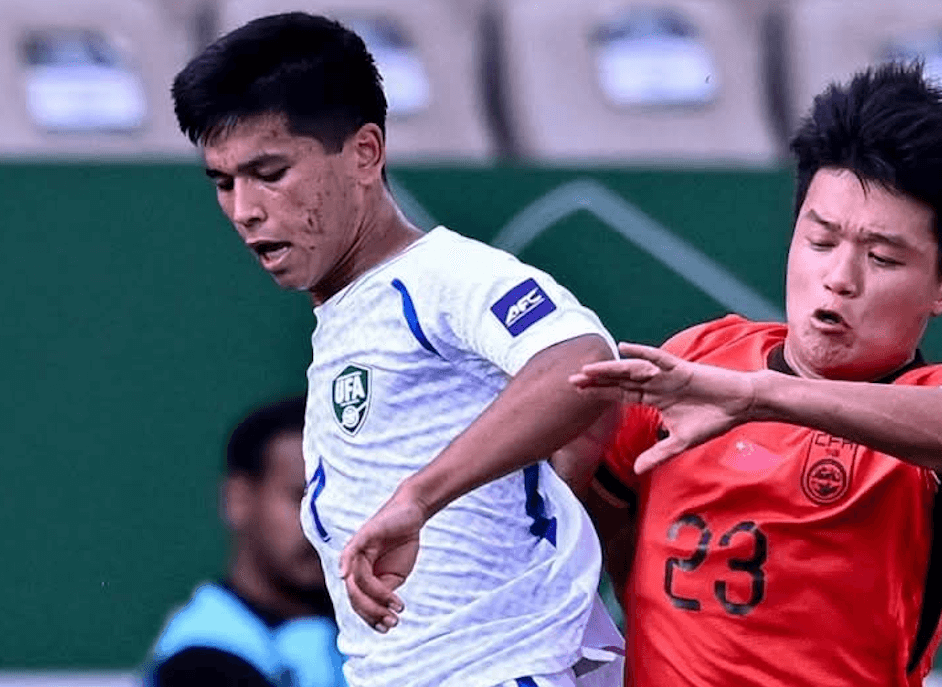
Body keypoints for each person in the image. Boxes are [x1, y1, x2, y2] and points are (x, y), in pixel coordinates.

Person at [170, 12, 624, 687]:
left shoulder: (440, 276)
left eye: (270, 172)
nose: (244, 209)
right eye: (223, 182)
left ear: (364, 153)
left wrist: (420, 497)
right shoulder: (349, 315)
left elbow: (581, 363)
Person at [568, 61, 942, 687]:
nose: (840, 278)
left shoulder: (937, 403)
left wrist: (760, 398)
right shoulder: (700, 356)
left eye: (881, 257)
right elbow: (608, 519)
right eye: (821, 242)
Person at [145, 397, 347, 687]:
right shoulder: (199, 661)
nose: (323, 523)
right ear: (238, 500)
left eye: (341, 503)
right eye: (301, 497)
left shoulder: (367, 630)